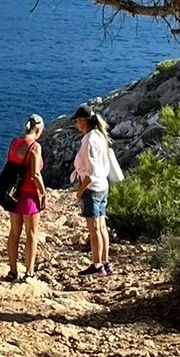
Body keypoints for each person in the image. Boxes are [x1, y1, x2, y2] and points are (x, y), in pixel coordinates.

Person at [71, 106, 114, 276]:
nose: (76, 125)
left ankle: (97, 265)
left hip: (92, 188)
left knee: (94, 228)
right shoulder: (100, 136)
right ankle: (105, 262)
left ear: (83, 121)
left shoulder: (88, 141)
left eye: (77, 121)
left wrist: (80, 191)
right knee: (102, 226)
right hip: (103, 185)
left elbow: (90, 172)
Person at [5, 113, 47, 282]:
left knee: (14, 232)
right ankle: (29, 272)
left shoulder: (14, 143)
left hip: (14, 194)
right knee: (31, 234)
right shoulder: (35, 147)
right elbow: (36, 174)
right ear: (38, 129)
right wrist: (43, 193)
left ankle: (13, 271)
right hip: (29, 195)